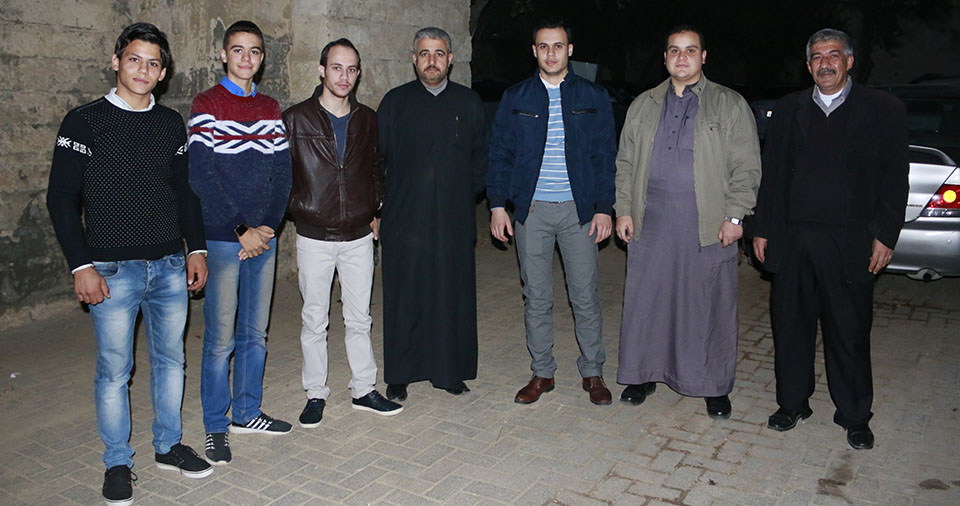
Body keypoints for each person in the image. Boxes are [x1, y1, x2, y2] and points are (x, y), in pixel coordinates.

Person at [47, 22, 213, 506]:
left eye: (153, 63)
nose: (143, 69)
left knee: (171, 361)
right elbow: (61, 199)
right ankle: (118, 462)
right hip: (111, 270)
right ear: (116, 61)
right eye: (134, 59)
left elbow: (183, 192)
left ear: (163, 73)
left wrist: (196, 249)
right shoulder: (83, 121)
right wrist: (81, 266)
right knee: (115, 371)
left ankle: (168, 445)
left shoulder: (169, 123)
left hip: (168, 265)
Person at [752, 28, 909, 450]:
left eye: (833, 55)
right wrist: (762, 227)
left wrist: (885, 235)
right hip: (794, 237)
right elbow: (772, 173)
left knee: (849, 331)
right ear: (808, 66)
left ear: (849, 61)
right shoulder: (788, 109)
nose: (825, 63)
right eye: (817, 57)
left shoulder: (883, 109)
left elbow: (896, 178)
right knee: (790, 326)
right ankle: (792, 403)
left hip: (851, 240)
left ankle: (854, 414)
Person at [613, 26, 761, 418]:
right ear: (664, 58)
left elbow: (747, 167)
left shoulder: (729, 104)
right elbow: (625, 163)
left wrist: (735, 216)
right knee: (648, 300)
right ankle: (642, 374)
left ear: (703, 56)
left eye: (690, 50)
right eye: (674, 51)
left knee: (708, 303)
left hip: (707, 223)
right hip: (651, 220)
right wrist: (624, 209)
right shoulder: (643, 104)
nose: (682, 57)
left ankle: (713, 384)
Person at [487, 20, 617, 405]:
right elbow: (500, 153)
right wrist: (498, 205)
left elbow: (605, 156)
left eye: (558, 46)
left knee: (585, 295)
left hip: (580, 212)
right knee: (537, 296)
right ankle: (542, 372)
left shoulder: (593, 96)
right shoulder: (516, 97)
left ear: (570, 50)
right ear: (534, 51)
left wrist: (604, 209)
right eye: (543, 46)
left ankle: (593, 372)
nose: (551, 53)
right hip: (532, 211)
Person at [188, 20, 293, 465]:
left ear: (262, 58)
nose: (246, 58)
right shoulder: (207, 104)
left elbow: (283, 173)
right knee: (220, 338)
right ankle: (216, 426)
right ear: (223, 54)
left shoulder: (270, 108)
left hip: (262, 238)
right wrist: (240, 229)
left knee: (255, 332)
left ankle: (247, 413)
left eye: (254, 51)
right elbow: (201, 176)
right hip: (223, 238)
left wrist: (267, 226)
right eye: (238, 50)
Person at [284, 38, 402, 425]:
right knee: (314, 319)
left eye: (351, 69)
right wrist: (299, 206)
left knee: (359, 318)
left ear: (358, 73)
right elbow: (282, 175)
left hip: (358, 236)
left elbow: (376, 168)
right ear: (322, 70)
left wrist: (375, 206)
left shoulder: (368, 119)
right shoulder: (295, 119)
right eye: (336, 68)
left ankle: (364, 389)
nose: (344, 76)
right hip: (314, 235)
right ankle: (315, 393)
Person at [377, 26, 489, 401]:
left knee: (450, 296)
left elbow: (481, 158)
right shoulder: (395, 103)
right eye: (424, 53)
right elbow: (377, 161)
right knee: (405, 296)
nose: (431, 61)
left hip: (453, 220)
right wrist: (381, 208)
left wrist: (461, 195)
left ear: (450, 59)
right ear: (414, 59)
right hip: (404, 220)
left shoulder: (468, 103)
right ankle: (400, 374)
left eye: (439, 53)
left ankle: (450, 371)